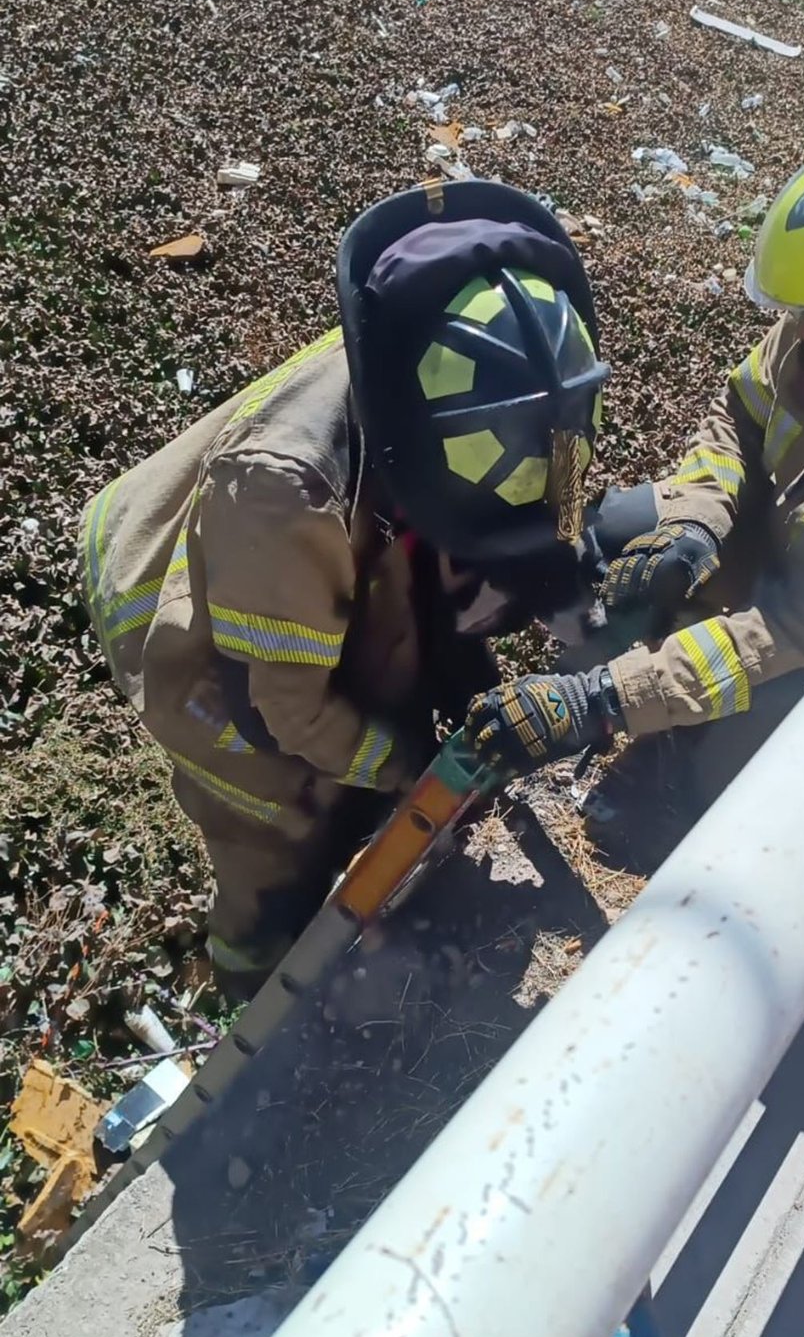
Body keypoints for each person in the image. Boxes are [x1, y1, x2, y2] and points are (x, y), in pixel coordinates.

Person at [465, 118, 804, 1196]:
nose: (797, 346)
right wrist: (693, 523)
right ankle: (691, 737)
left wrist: (604, 698)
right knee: (622, 530)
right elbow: (738, 420)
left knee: (764, 746)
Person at [79, 181, 607, 994]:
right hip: (181, 626)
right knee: (279, 816)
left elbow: (527, 518)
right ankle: (247, 977)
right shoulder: (285, 490)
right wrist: (412, 771)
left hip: (295, 556)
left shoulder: (471, 362)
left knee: (382, 697)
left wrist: (565, 598)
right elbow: (287, 707)